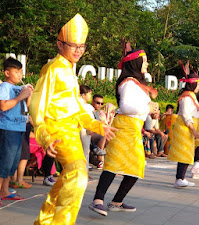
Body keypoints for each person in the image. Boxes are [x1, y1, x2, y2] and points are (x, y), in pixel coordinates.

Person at [30, 14, 116, 225]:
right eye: (73, 45)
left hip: (71, 133)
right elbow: (37, 105)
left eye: (82, 46)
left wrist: (97, 125)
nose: (78, 50)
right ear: (60, 44)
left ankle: (45, 221)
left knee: (68, 178)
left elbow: (76, 107)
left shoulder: (69, 69)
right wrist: (44, 136)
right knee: (78, 175)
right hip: (58, 132)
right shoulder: (53, 69)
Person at [89, 45, 157, 216]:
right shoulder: (128, 83)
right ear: (136, 62)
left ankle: (116, 201)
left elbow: (139, 108)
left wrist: (150, 110)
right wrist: (147, 108)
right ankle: (97, 200)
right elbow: (126, 106)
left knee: (136, 166)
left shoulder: (136, 83)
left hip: (133, 128)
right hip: (124, 126)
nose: (147, 64)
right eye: (145, 61)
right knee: (113, 164)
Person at [0, 57, 33, 202]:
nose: (20, 75)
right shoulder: (5, 87)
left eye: (21, 72)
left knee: (12, 163)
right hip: (8, 128)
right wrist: (21, 96)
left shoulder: (18, 88)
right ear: (7, 73)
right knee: (4, 162)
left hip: (20, 127)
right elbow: (3, 106)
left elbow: (26, 108)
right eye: (16, 71)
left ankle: (5, 191)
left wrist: (28, 95)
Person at [167, 60, 199, 188]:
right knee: (184, 153)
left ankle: (181, 178)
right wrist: (193, 129)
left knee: (186, 153)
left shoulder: (190, 95)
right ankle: (179, 178)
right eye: (198, 84)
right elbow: (186, 115)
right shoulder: (187, 97)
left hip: (188, 127)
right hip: (185, 127)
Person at [10, 116, 33, 189]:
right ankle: (17, 180)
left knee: (21, 154)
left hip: (21, 124)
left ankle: (16, 179)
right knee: (21, 154)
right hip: (19, 124)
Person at [79, 84, 95, 173]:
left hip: (87, 129)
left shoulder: (86, 105)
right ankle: (82, 171)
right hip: (83, 129)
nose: (90, 96)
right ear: (83, 95)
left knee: (86, 150)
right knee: (84, 150)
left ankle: (85, 170)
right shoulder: (81, 105)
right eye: (89, 94)